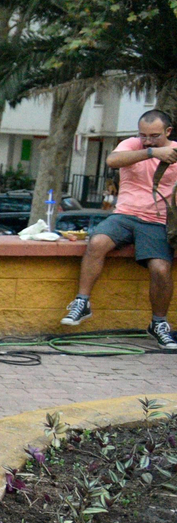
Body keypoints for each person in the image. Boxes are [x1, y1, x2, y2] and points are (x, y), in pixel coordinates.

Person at [60, 110, 177, 349]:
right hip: (124, 215)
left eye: (154, 136)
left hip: (156, 220)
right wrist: (152, 151)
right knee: (97, 242)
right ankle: (82, 303)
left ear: (168, 132)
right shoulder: (134, 145)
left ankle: (159, 324)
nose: (147, 140)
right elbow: (112, 161)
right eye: (143, 134)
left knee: (161, 269)